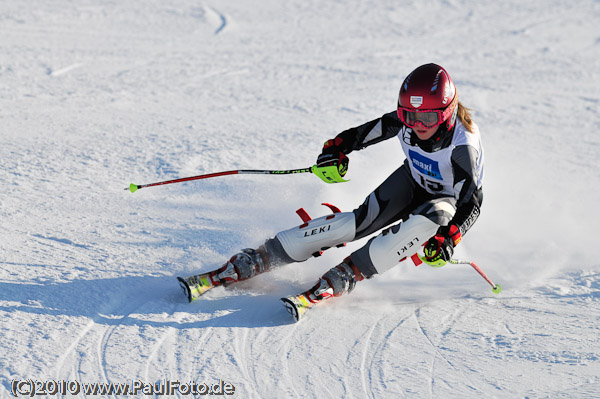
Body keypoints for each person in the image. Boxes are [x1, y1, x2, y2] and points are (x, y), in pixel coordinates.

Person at [180, 63, 484, 317]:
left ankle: (347, 274)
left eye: (428, 117)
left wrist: (450, 237)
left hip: (446, 200)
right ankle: (261, 257)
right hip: (412, 180)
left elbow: (473, 200)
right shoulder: (408, 122)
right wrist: (335, 150)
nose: (418, 125)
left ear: (447, 110)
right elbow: (360, 135)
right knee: (355, 223)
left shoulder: (461, 145)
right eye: (409, 115)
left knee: (425, 222)